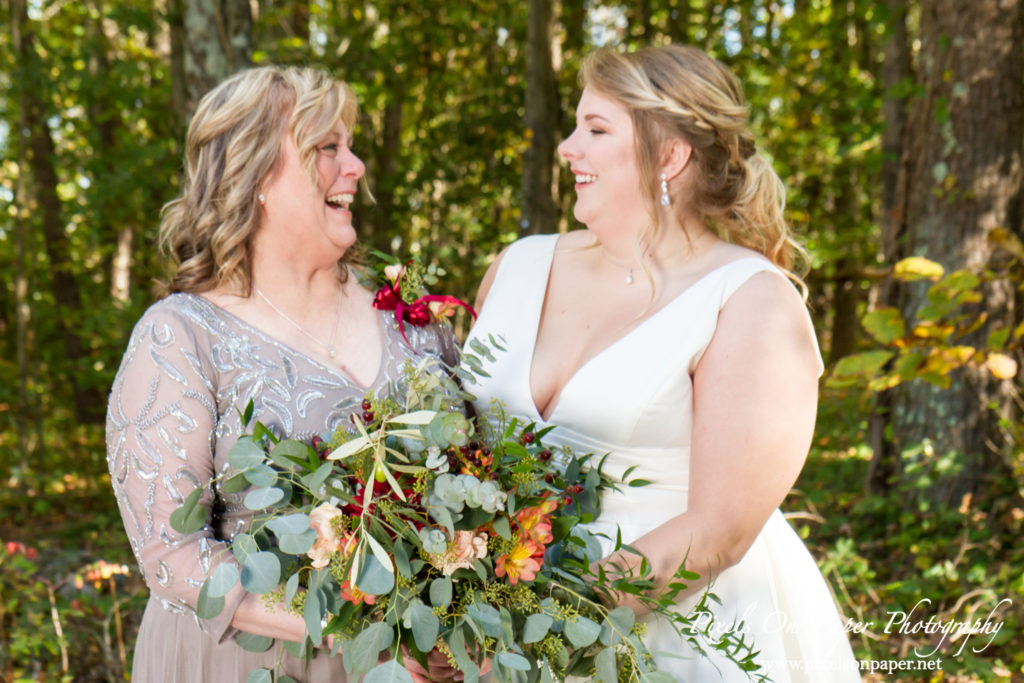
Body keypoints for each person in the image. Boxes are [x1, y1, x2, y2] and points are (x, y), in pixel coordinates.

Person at [464, 45, 859, 681]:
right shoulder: (517, 266)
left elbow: (718, 531)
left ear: (669, 157)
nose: (568, 148)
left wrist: (537, 625)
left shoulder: (752, 302)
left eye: (595, 130)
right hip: (492, 622)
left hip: (671, 636)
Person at [105, 66, 458, 682]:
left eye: (351, 147)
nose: (356, 166)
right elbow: (173, 555)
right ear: (256, 174)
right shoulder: (180, 336)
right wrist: (368, 631)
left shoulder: (413, 322)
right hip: (250, 663)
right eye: (328, 148)